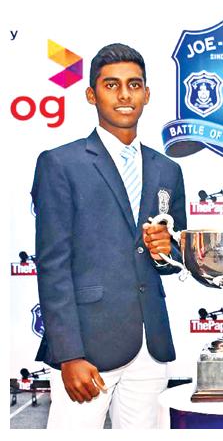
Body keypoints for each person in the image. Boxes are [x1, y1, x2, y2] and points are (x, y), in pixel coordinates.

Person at [31, 43, 186, 428]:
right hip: (87, 348)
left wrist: (168, 251)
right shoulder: (60, 163)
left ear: (147, 94)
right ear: (91, 94)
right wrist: (68, 354)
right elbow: (52, 266)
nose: (123, 95)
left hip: (151, 345)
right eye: (111, 85)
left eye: (134, 84)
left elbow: (176, 256)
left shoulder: (167, 169)